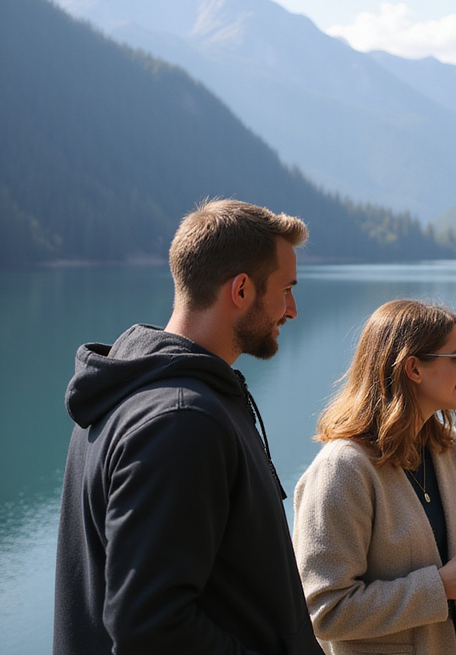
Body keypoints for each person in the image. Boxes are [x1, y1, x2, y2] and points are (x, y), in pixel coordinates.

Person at [53, 198, 322, 654]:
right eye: (287, 288)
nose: (292, 309)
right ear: (240, 290)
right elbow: (151, 628)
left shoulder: (133, 390)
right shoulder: (180, 422)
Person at [292, 299, 456, 655]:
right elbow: (323, 611)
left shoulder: (451, 450)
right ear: (414, 368)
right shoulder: (342, 470)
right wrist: (439, 587)